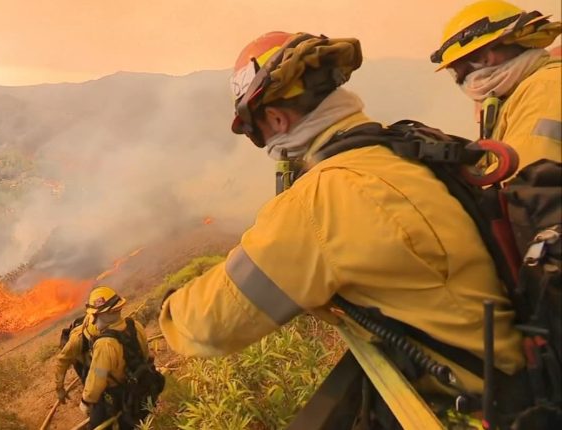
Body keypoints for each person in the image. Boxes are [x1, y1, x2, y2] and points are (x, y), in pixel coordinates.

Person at [158, 31, 527, 405]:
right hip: (519, 370)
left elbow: (211, 323)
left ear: (276, 118)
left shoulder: (323, 198)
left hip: (489, 403)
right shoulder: (401, 149)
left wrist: (169, 310)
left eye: (256, 130)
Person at [431, 0, 561, 169]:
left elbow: (528, 174)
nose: (464, 81)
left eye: (461, 71)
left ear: (486, 58)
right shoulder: (516, 95)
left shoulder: (545, 87)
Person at [79, 286, 150, 430]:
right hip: (142, 384)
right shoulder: (135, 326)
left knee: (98, 425)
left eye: (95, 315)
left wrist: (86, 401)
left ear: (105, 314)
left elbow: (98, 376)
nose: (93, 321)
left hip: (119, 394)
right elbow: (145, 353)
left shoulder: (104, 344)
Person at [54, 313, 98, 404]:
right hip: (79, 350)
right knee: (89, 377)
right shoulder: (76, 341)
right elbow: (61, 362)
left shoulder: (108, 330)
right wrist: (60, 388)